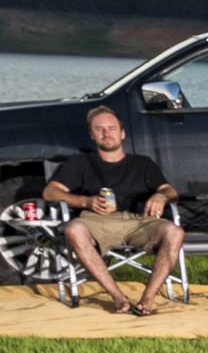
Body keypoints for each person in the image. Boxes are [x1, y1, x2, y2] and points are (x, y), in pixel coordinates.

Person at [42, 107, 184, 316]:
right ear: (92, 135)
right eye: (100, 129)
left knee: (175, 232)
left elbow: (169, 191)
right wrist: (85, 202)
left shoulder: (142, 163)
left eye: (111, 128)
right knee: (73, 230)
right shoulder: (80, 163)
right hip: (96, 220)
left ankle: (147, 298)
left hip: (140, 220)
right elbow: (50, 192)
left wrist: (161, 196)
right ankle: (118, 297)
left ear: (122, 133)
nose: (106, 134)